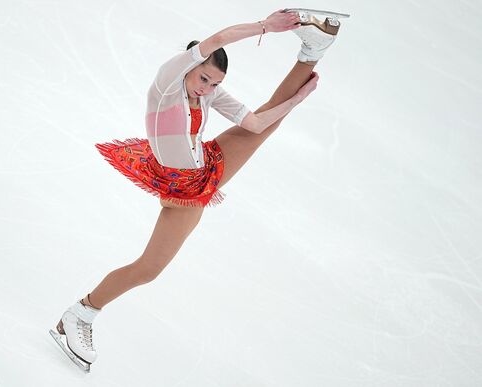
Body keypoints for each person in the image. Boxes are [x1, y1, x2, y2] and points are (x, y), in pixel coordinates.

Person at [52, 8, 343, 370]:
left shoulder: (207, 95)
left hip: (207, 168)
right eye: (204, 78)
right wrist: (267, 27)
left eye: (214, 84)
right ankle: (79, 315)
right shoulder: (167, 85)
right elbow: (218, 40)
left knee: (267, 126)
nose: (206, 88)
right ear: (191, 65)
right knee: (148, 269)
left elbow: (253, 122)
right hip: (180, 189)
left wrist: (295, 102)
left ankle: (314, 49)